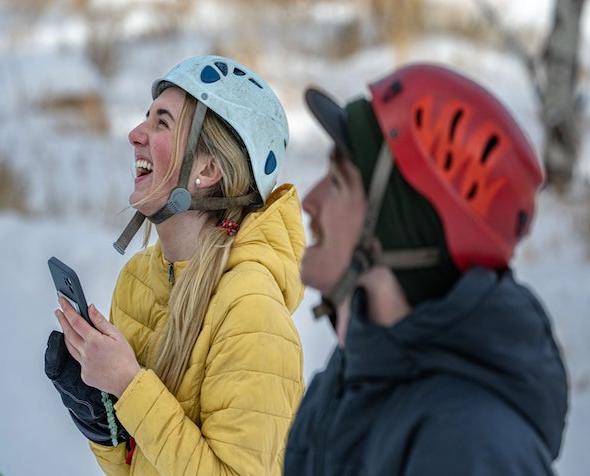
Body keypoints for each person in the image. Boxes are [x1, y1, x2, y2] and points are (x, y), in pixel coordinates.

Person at [284, 63, 568, 475]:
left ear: (397, 232)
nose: (309, 201)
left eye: (338, 181)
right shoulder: (347, 382)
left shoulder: (471, 451)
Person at [45, 55, 305, 476]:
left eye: (161, 122)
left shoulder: (252, 313)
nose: (134, 134)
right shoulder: (139, 281)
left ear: (208, 169)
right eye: (145, 118)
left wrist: (130, 387)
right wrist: (103, 424)